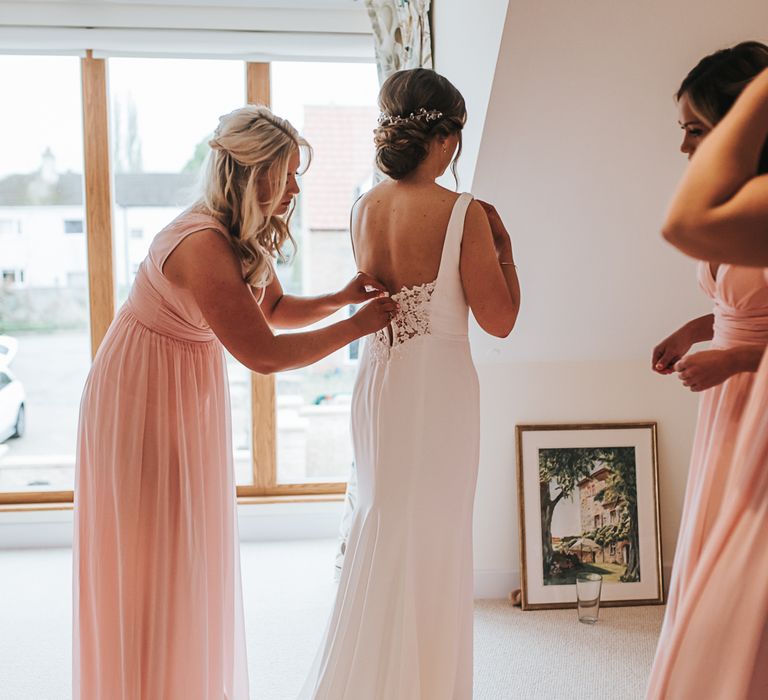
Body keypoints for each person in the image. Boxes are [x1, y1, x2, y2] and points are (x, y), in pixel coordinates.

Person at [72, 104, 397, 700]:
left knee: (185, 551)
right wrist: (359, 328)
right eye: (289, 171)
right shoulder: (201, 243)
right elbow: (264, 353)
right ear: (256, 172)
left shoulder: (240, 234)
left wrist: (343, 299)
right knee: (149, 556)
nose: (297, 186)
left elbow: (271, 309)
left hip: (183, 382)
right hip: (139, 391)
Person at [299, 68, 520, 699]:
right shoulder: (465, 214)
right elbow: (500, 321)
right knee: (435, 536)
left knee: (383, 520)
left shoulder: (362, 208)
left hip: (380, 383)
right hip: (440, 390)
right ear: (447, 141)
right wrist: (505, 248)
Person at [647, 53, 768, 699]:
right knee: (718, 537)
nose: (684, 144)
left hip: (753, 388)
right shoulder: (749, 205)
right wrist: (701, 329)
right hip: (728, 397)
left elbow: (682, 226)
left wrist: (740, 358)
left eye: (697, 128)